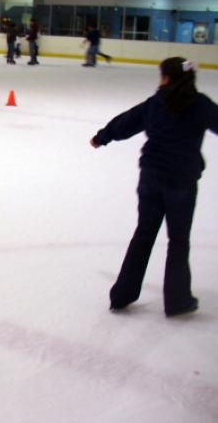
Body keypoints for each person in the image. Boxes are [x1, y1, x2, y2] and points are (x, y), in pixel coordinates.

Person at [90, 57, 218, 317]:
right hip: (181, 183)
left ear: (168, 78)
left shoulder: (156, 103)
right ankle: (177, 300)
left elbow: (127, 122)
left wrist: (102, 137)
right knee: (178, 241)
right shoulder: (200, 105)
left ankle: (122, 295)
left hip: (151, 179)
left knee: (144, 234)